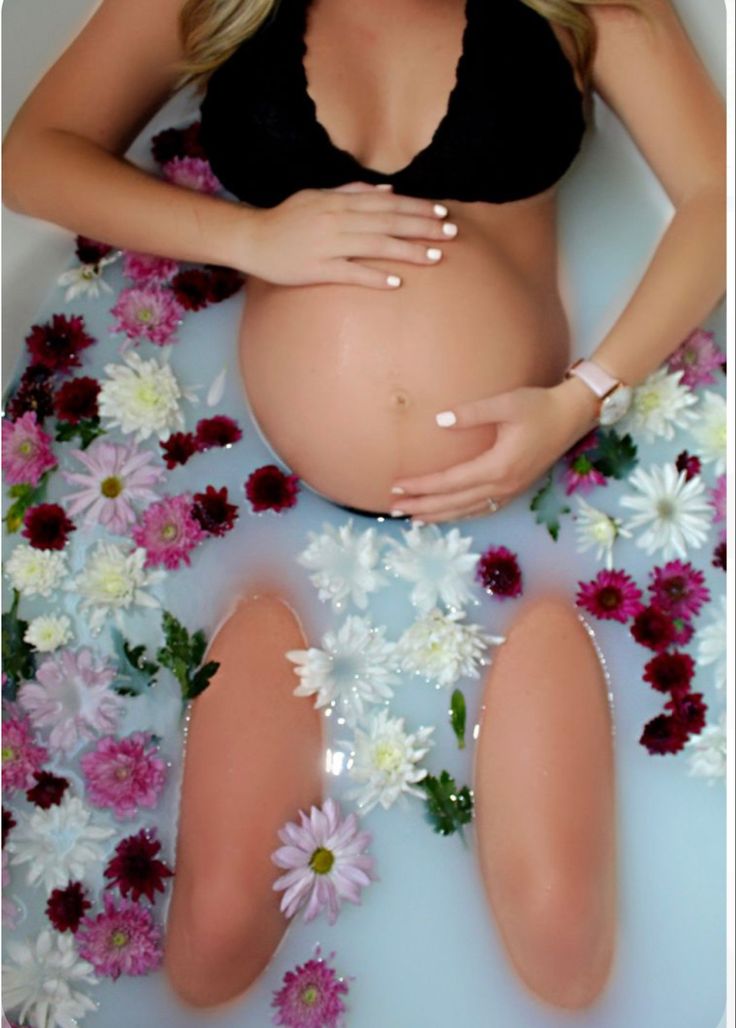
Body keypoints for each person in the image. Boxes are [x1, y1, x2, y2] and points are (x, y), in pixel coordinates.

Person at [2, 0, 726, 1014]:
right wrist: (254, 236)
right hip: (262, 524)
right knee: (209, 946)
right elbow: (33, 154)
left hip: (535, 515)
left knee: (566, 945)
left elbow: (717, 194)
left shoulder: (588, 7)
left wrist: (583, 395)